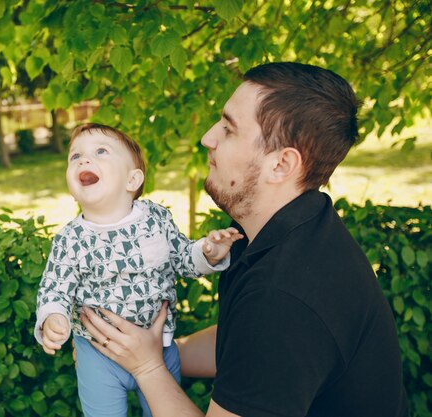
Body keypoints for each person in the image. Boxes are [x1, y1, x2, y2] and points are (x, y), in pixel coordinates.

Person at [80, 62, 409, 417]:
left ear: (281, 165)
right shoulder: (293, 227)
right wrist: (144, 349)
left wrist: (148, 368)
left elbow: (270, 326)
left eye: (229, 128)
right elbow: (248, 344)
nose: (208, 137)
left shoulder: (284, 297)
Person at [34, 123, 243, 417]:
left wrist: (206, 252)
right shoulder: (71, 238)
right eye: (75, 156)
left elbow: (182, 257)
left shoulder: (155, 219)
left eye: (101, 151)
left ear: (133, 179)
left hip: (161, 345)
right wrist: (53, 317)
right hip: (99, 355)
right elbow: (54, 287)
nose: (84, 160)